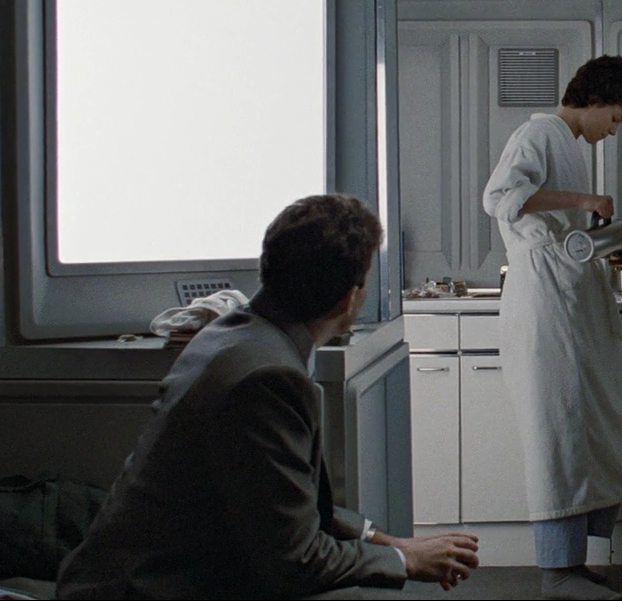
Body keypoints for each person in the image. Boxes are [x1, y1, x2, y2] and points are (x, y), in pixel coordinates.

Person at [55, 193, 480, 600]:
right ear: (350, 299)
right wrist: (403, 560)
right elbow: (295, 559)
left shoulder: (231, 334)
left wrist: (388, 542)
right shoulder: (269, 378)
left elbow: (280, 506)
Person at [481, 55, 622, 601]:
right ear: (595, 99)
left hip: (570, 298)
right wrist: (583, 201)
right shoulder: (537, 135)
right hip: (544, 300)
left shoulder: (568, 145)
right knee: (559, 431)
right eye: (616, 118)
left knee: (590, 425)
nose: (614, 130)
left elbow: (560, 229)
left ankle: (574, 563)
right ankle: (557, 573)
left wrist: (602, 243)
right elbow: (498, 199)